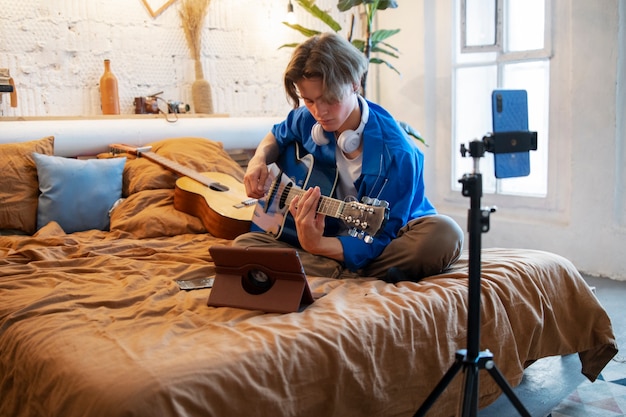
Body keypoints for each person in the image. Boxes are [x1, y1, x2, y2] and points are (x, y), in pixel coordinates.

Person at [233, 32, 463, 283]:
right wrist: (258, 160)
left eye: (329, 99)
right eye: (309, 100)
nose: (319, 112)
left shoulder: (398, 154)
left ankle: (327, 267)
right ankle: (344, 270)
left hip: (387, 236)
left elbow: (379, 237)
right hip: (327, 231)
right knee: (244, 245)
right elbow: (276, 136)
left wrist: (317, 245)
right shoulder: (306, 119)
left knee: (443, 235)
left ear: (355, 83)